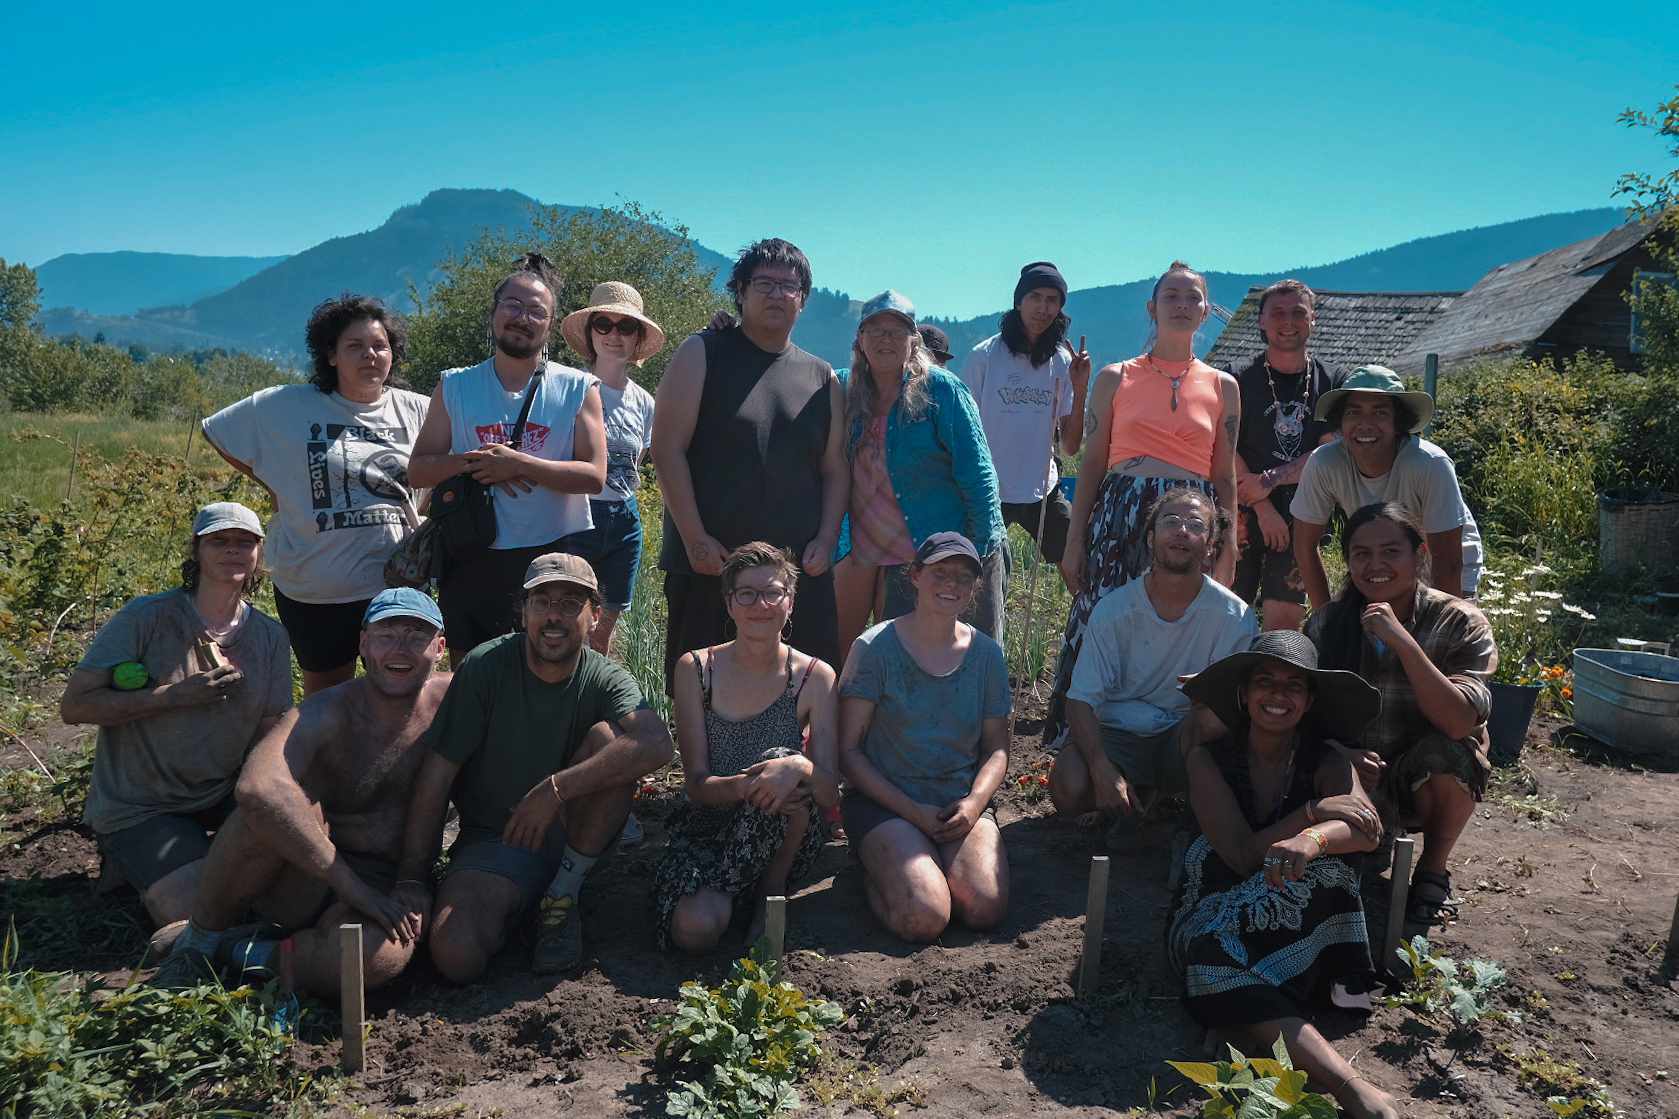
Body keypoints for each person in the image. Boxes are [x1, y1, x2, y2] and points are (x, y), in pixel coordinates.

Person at [150, 589, 452, 993]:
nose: (401, 648)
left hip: (387, 885)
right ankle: (198, 942)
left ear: (440, 647)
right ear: (363, 644)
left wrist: (410, 883)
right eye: (386, 635)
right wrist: (353, 888)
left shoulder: (455, 701)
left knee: (379, 960)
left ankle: (239, 952)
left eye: (417, 635)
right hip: (305, 878)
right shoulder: (326, 710)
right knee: (267, 809)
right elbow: (257, 786)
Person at [399, 553, 673, 979]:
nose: (553, 617)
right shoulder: (485, 666)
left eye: (569, 604)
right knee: (456, 956)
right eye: (542, 602)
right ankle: (526, 908)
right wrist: (413, 878)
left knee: (610, 740)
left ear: (595, 616)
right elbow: (438, 773)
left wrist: (554, 790)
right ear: (523, 612)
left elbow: (657, 742)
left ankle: (563, 895)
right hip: (497, 840)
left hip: (577, 832)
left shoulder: (604, 677)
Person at [1168, 631, 1398, 1119]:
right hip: (1218, 901)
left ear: (1309, 700)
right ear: (1244, 695)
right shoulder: (1208, 759)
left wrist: (1312, 839)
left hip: (1295, 904)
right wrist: (1313, 811)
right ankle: (1350, 1085)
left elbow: (1364, 831)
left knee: (1329, 878)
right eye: (1265, 682)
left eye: (1293, 685)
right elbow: (1240, 855)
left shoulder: (1328, 758)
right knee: (1210, 958)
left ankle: (1245, 1025)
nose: (1278, 695)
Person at [59, 502, 293, 928]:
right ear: (197, 550)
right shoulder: (147, 619)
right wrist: (171, 697)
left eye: (245, 542)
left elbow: (270, 726)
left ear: (260, 554)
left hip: (222, 792)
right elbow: (75, 706)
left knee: (299, 875)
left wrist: (264, 796)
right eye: (219, 541)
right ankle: (134, 857)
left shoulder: (269, 636)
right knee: (197, 911)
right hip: (142, 803)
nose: (232, 551)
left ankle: (191, 860)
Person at [1046, 261, 1240, 747]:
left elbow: (1223, 473)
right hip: (1120, 514)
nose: (1181, 305)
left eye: (1192, 297)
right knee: (1103, 619)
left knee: (1182, 625)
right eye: (1171, 296)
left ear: (1205, 311)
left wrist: (1230, 540)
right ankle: (1085, 748)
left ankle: (1174, 751)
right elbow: (1090, 465)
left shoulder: (1223, 386)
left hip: (1191, 519)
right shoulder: (1116, 377)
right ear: (1152, 308)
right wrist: (1074, 542)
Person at [201, 295, 427, 694]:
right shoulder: (286, 405)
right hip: (317, 587)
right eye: (354, 346)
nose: (369, 355)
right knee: (326, 697)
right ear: (331, 355)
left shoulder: (420, 409)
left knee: (400, 693)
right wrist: (273, 482)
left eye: (379, 346)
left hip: (396, 585)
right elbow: (218, 431)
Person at [652, 237, 848, 693]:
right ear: (740, 291)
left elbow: (835, 467)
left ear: (804, 298)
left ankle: (800, 768)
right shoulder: (702, 352)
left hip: (797, 572)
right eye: (764, 283)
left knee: (801, 691)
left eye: (789, 285)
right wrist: (694, 537)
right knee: (704, 692)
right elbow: (667, 450)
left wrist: (827, 537)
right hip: (711, 564)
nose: (777, 293)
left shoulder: (822, 377)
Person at [1304, 503, 1496, 938]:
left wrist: (1403, 643)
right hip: (1352, 776)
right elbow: (1302, 711)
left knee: (1454, 753)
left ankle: (1432, 871)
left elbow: (1459, 720)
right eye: (1361, 554)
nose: (1375, 566)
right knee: (1347, 880)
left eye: (1391, 551)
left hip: (1420, 772)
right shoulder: (1328, 623)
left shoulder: (1460, 621)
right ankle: (1370, 840)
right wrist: (1341, 753)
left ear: (1419, 555)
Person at [408, 252, 608, 662]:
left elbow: (594, 475)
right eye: (512, 306)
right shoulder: (455, 386)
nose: (522, 317)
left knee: (546, 669)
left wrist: (519, 465)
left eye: (536, 311)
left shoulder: (577, 387)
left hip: (549, 555)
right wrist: (477, 463)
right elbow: (418, 468)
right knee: (471, 671)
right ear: (494, 313)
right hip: (469, 554)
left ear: (550, 325)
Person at [655, 543, 840, 951]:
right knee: (694, 932)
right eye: (747, 594)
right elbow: (698, 786)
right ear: (729, 604)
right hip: (711, 827)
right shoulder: (696, 669)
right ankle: (734, 895)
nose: (761, 604)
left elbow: (827, 792)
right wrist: (747, 787)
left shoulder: (814, 676)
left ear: (790, 602)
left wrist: (800, 767)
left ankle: (771, 892)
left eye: (773, 593)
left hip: (785, 838)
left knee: (783, 762)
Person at [839, 533, 1011, 943]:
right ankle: (873, 872)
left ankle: (929, 865)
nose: (950, 585)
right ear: (915, 576)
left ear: (974, 588)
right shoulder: (875, 648)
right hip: (887, 803)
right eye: (940, 573)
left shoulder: (986, 655)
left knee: (985, 906)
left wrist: (973, 804)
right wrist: (912, 812)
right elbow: (847, 751)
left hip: (957, 802)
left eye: (963, 578)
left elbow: (998, 749)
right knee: (925, 915)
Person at [1049, 489, 1257, 821]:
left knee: (1213, 721)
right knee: (1069, 786)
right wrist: (1102, 769)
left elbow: (1234, 705)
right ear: (1150, 538)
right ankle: (1134, 792)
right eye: (1171, 521)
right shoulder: (1114, 610)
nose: (1182, 531)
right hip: (1117, 732)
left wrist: (1209, 691)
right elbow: (1080, 702)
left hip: (1183, 734)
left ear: (1211, 546)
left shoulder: (1234, 617)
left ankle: (1170, 798)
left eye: (1195, 524)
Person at [833, 290, 1006, 659]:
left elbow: (979, 476)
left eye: (897, 331)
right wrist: (728, 333)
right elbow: (790, 371)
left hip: (933, 554)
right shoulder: (843, 389)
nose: (885, 338)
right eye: (874, 330)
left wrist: (977, 555)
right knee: (884, 664)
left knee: (949, 659)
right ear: (859, 341)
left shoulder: (941, 390)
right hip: (872, 556)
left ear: (914, 342)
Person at [1291, 365, 1483, 606]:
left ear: (1398, 423)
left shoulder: (1429, 464)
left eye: (1379, 413)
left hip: (1448, 565)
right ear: (1340, 421)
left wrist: (1443, 628)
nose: (1365, 424)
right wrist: (1325, 619)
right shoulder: (1325, 463)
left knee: (1441, 635)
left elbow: (1448, 561)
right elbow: (1304, 545)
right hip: (1382, 558)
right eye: (1353, 413)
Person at [958, 262, 1092, 583]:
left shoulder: (1062, 361)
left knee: (1080, 568)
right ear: (1019, 301)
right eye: (1035, 297)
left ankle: (1090, 632)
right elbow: (961, 431)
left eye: (1052, 299)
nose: (1043, 308)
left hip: (1042, 489)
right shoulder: (985, 357)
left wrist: (1081, 387)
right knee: (976, 580)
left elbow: (1071, 447)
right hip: (988, 490)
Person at [1224, 280, 1345, 631]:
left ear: (1312, 320)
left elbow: (1330, 450)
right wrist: (1262, 505)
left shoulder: (1332, 380)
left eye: (1297, 313)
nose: (1287, 321)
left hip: (1302, 516)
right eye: (1277, 313)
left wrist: (1270, 480)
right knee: (1226, 617)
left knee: (1284, 621)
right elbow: (1223, 444)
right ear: (1261, 321)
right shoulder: (1235, 378)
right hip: (1240, 516)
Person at [557, 281, 664, 653]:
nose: (614, 335)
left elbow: (647, 460)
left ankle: (593, 704)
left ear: (638, 339)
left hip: (625, 519)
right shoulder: (568, 390)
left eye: (626, 327)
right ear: (590, 333)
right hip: (576, 516)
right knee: (568, 623)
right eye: (604, 324)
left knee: (604, 630)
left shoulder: (645, 402)